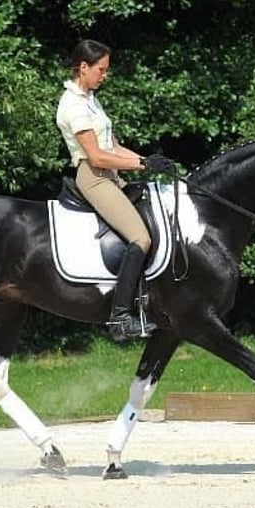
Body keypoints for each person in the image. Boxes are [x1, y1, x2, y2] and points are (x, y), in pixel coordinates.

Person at [56, 39, 170, 341]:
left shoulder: (91, 99)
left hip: (112, 174)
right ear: (84, 67)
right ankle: (119, 317)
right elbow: (96, 156)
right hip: (94, 177)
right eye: (101, 70)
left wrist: (149, 161)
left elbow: (114, 146)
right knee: (141, 238)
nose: (104, 75)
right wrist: (143, 166)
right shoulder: (73, 105)